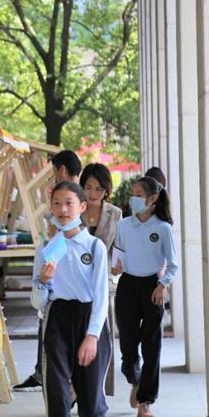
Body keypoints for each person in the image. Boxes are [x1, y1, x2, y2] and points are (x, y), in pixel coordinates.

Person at [32, 181, 110, 417]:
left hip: (90, 320)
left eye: (68, 204)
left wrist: (91, 336)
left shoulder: (94, 248)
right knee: (58, 397)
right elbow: (38, 303)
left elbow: (102, 297)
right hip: (57, 321)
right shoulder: (47, 249)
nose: (62, 210)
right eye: (56, 204)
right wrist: (42, 281)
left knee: (92, 402)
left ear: (81, 207)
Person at [112, 176, 179, 417]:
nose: (134, 198)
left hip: (153, 286)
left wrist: (162, 285)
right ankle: (135, 380)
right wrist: (115, 268)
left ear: (152, 198)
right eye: (133, 193)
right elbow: (117, 257)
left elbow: (173, 265)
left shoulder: (163, 228)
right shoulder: (124, 225)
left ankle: (145, 402)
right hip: (127, 285)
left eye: (139, 194)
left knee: (152, 346)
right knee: (128, 346)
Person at [13, 150, 81, 392]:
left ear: (61, 170)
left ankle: (61, 382)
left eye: (54, 172)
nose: (62, 210)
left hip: (62, 281)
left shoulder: (68, 195)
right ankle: (53, 378)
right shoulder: (72, 195)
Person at [79, 163, 122, 396]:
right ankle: (77, 386)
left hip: (104, 282)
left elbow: (119, 248)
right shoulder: (75, 211)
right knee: (79, 334)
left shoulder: (115, 213)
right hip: (77, 281)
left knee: (104, 335)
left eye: (98, 189)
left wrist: (118, 266)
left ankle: (102, 388)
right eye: (88, 187)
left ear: (106, 190)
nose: (93, 193)